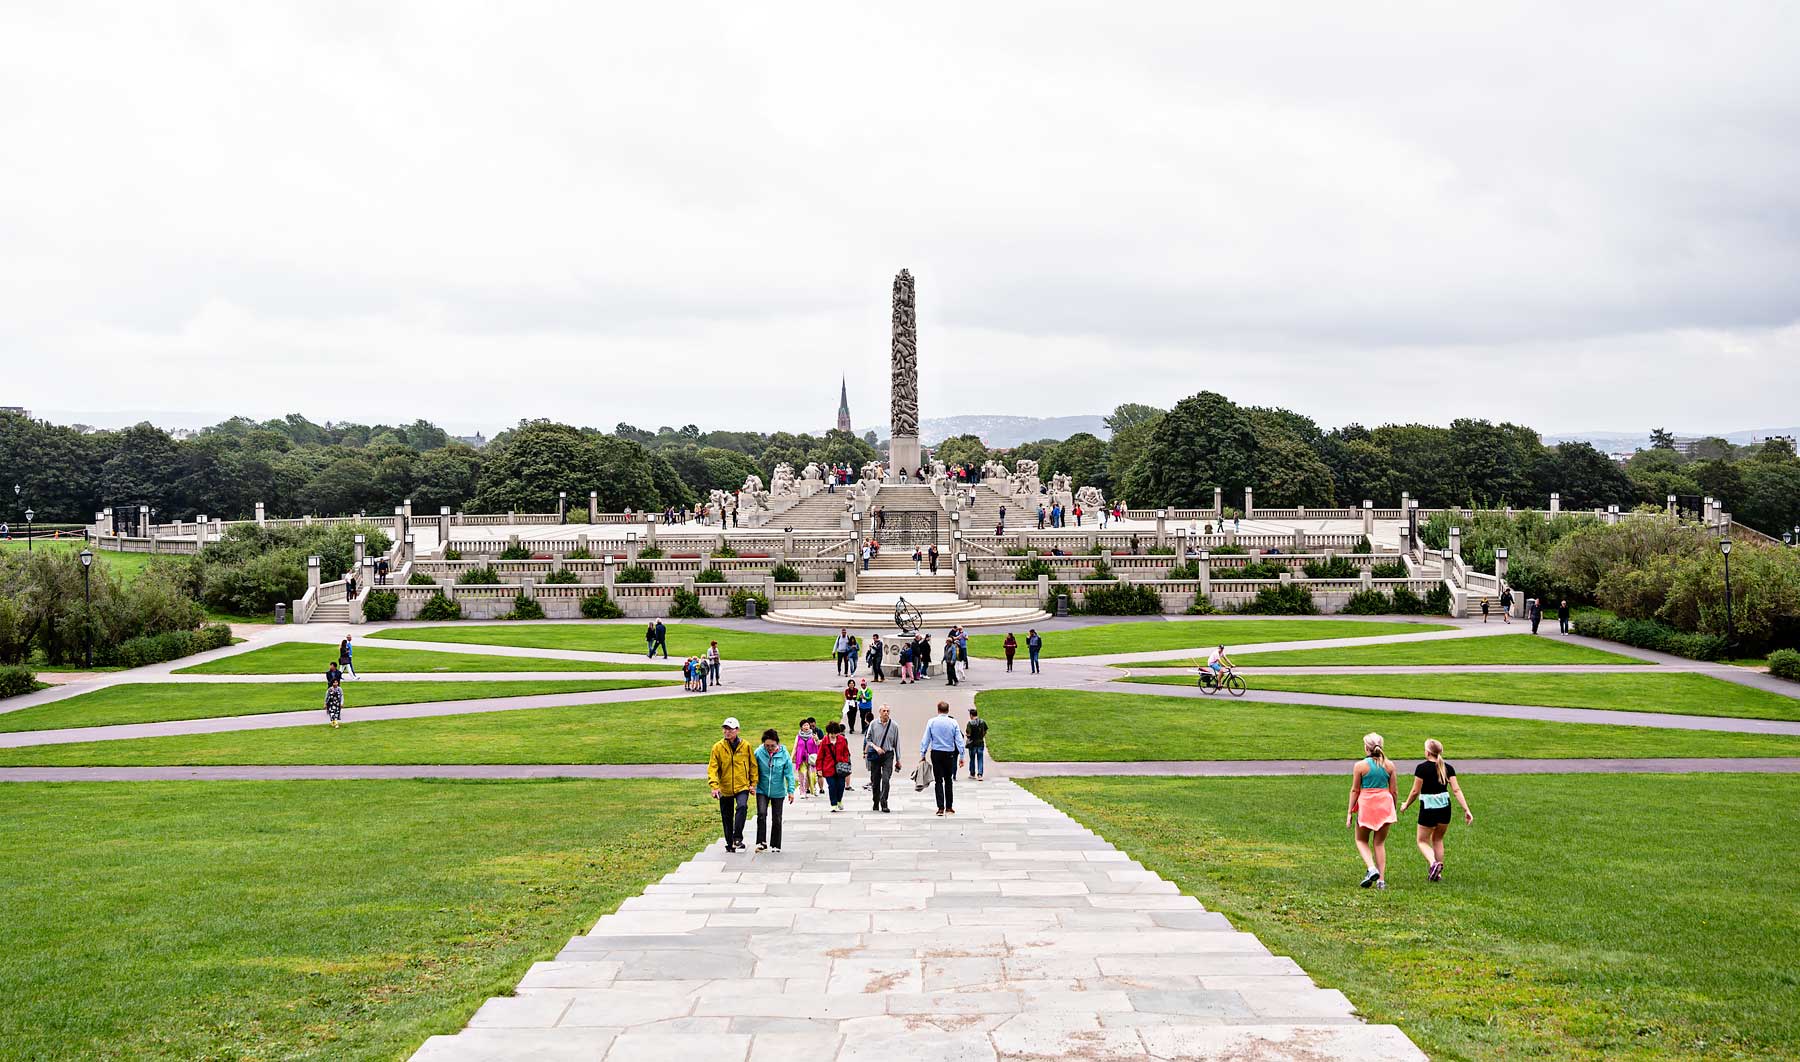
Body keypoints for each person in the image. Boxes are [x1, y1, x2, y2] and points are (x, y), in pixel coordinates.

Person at [1398, 738, 1475, 882]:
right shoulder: (1448, 768)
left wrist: (1406, 805)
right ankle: (1437, 874)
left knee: (1422, 841)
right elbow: (1456, 790)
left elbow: (1415, 791)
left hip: (1428, 808)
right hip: (1445, 808)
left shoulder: (1422, 768)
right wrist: (1467, 810)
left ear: (1427, 752)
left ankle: (1434, 864)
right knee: (1438, 839)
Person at [1346, 732, 1399, 889]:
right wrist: (1393, 808)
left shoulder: (1360, 766)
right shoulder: (1389, 765)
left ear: (1366, 748)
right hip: (1385, 804)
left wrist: (1349, 811)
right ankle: (1381, 880)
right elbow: (1394, 791)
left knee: (1361, 840)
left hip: (1367, 804)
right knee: (1379, 843)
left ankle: (1371, 868)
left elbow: (1355, 790)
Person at [708, 717, 758, 853]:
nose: (727, 731)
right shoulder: (717, 747)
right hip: (725, 787)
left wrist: (753, 784)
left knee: (742, 806)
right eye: (725, 729)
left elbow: (753, 765)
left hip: (742, 786)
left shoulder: (746, 746)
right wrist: (714, 786)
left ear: (737, 730)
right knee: (727, 816)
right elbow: (712, 768)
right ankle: (730, 843)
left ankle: (737, 837)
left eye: (730, 729)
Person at [753, 728, 796, 852]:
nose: (770, 748)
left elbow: (789, 774)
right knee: (761, 814)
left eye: (772, 746)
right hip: (762, 789)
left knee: (776, 818)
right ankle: (761, 842)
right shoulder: (759, 752)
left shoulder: (784, 754)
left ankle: (775, 844)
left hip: (778, 791)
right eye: (767, 745)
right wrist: (752, 785)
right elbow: (752, 770)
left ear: (778, 744)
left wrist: (791, 791)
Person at [920, 701, 966, 816]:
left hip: (936, 752)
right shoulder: (953, 722)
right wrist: (962, 755)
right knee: (948, 780)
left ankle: (940, 807)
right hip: (949, 754)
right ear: (948, 710)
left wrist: (923, 753)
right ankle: (949, 807)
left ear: (938, 710)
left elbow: (926, 739)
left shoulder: (932, 722)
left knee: (938, 780)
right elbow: (959, 740)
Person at [864, 705, 900, 812]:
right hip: (875, 755)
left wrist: (898, 760)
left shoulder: (894, 725)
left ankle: (884, 802)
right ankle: (875, 801)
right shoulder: (873, 724)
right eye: (884, 711)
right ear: (879, 712)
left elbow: (897, 743)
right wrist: (876, 747)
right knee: (875, 780)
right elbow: (868, 739)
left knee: (885, 779)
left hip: (888, 755)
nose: (886, 713)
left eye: (888, 711)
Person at [818, 720, 852, 812]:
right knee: (832, 786)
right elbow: (820, 755)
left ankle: (839, 800)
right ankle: (833, 804)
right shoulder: (825, 741)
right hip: (828, 768)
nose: (833, 735)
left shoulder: (842, 740)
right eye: (831, 733)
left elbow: (846, 752)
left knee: (841, 785)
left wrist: (844, 761)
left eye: (835, 733)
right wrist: (819, 769)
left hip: (840, 767)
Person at [794, 718, 822, 798]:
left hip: (811, 759)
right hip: (802, 759)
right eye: (804, 725)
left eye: (807, 725)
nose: (806, 726)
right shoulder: (798, 736)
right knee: (803, 776)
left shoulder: (813, 735)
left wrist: (817, 739)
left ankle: (814, 790)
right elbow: (795, 747)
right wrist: (791, 757)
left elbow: (818, 744)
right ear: (801, 727)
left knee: (812, 776)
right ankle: (803, 792)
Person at [965, 707, 988, 780]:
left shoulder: (970, 723)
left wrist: (967, 736)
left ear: (971, 715)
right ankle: (980, 774)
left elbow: (968, 734)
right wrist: (981, 736)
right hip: (980, 743)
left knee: (972, 759)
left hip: (972, 744)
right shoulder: (982, 722)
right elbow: (985, 731)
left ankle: (972, 773)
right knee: (980, 759)